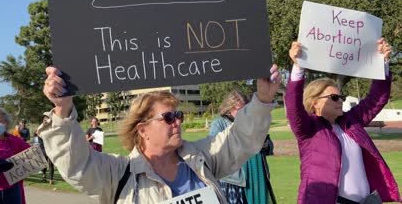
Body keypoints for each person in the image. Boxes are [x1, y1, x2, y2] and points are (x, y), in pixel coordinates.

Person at [38, 65, 280, 203]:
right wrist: (62, 108)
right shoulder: (118, 174)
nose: (177, 122)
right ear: (142, 130)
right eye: (168, 117)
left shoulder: (200, 159)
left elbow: (240, 139)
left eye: (179, 116)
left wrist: (263, 99)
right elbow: (77, 165)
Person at [286, 38, 400, 204]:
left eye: (341, 97)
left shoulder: (351, 121)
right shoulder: (308, 129)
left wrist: (382, 63)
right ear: (314, 102)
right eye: (333, 97)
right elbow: (293, 107)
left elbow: (377, 98)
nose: (340, 101)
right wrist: (298, 67)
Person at [209, 91, 276, 204]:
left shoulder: (252, 121)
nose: (243, 112)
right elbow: (214, 149)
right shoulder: (219, 123)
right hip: (234, 181)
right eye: (240, 109)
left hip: (257, 176)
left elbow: (269, 147)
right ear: (230, 108)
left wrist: (265, 144)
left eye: (246, 109)